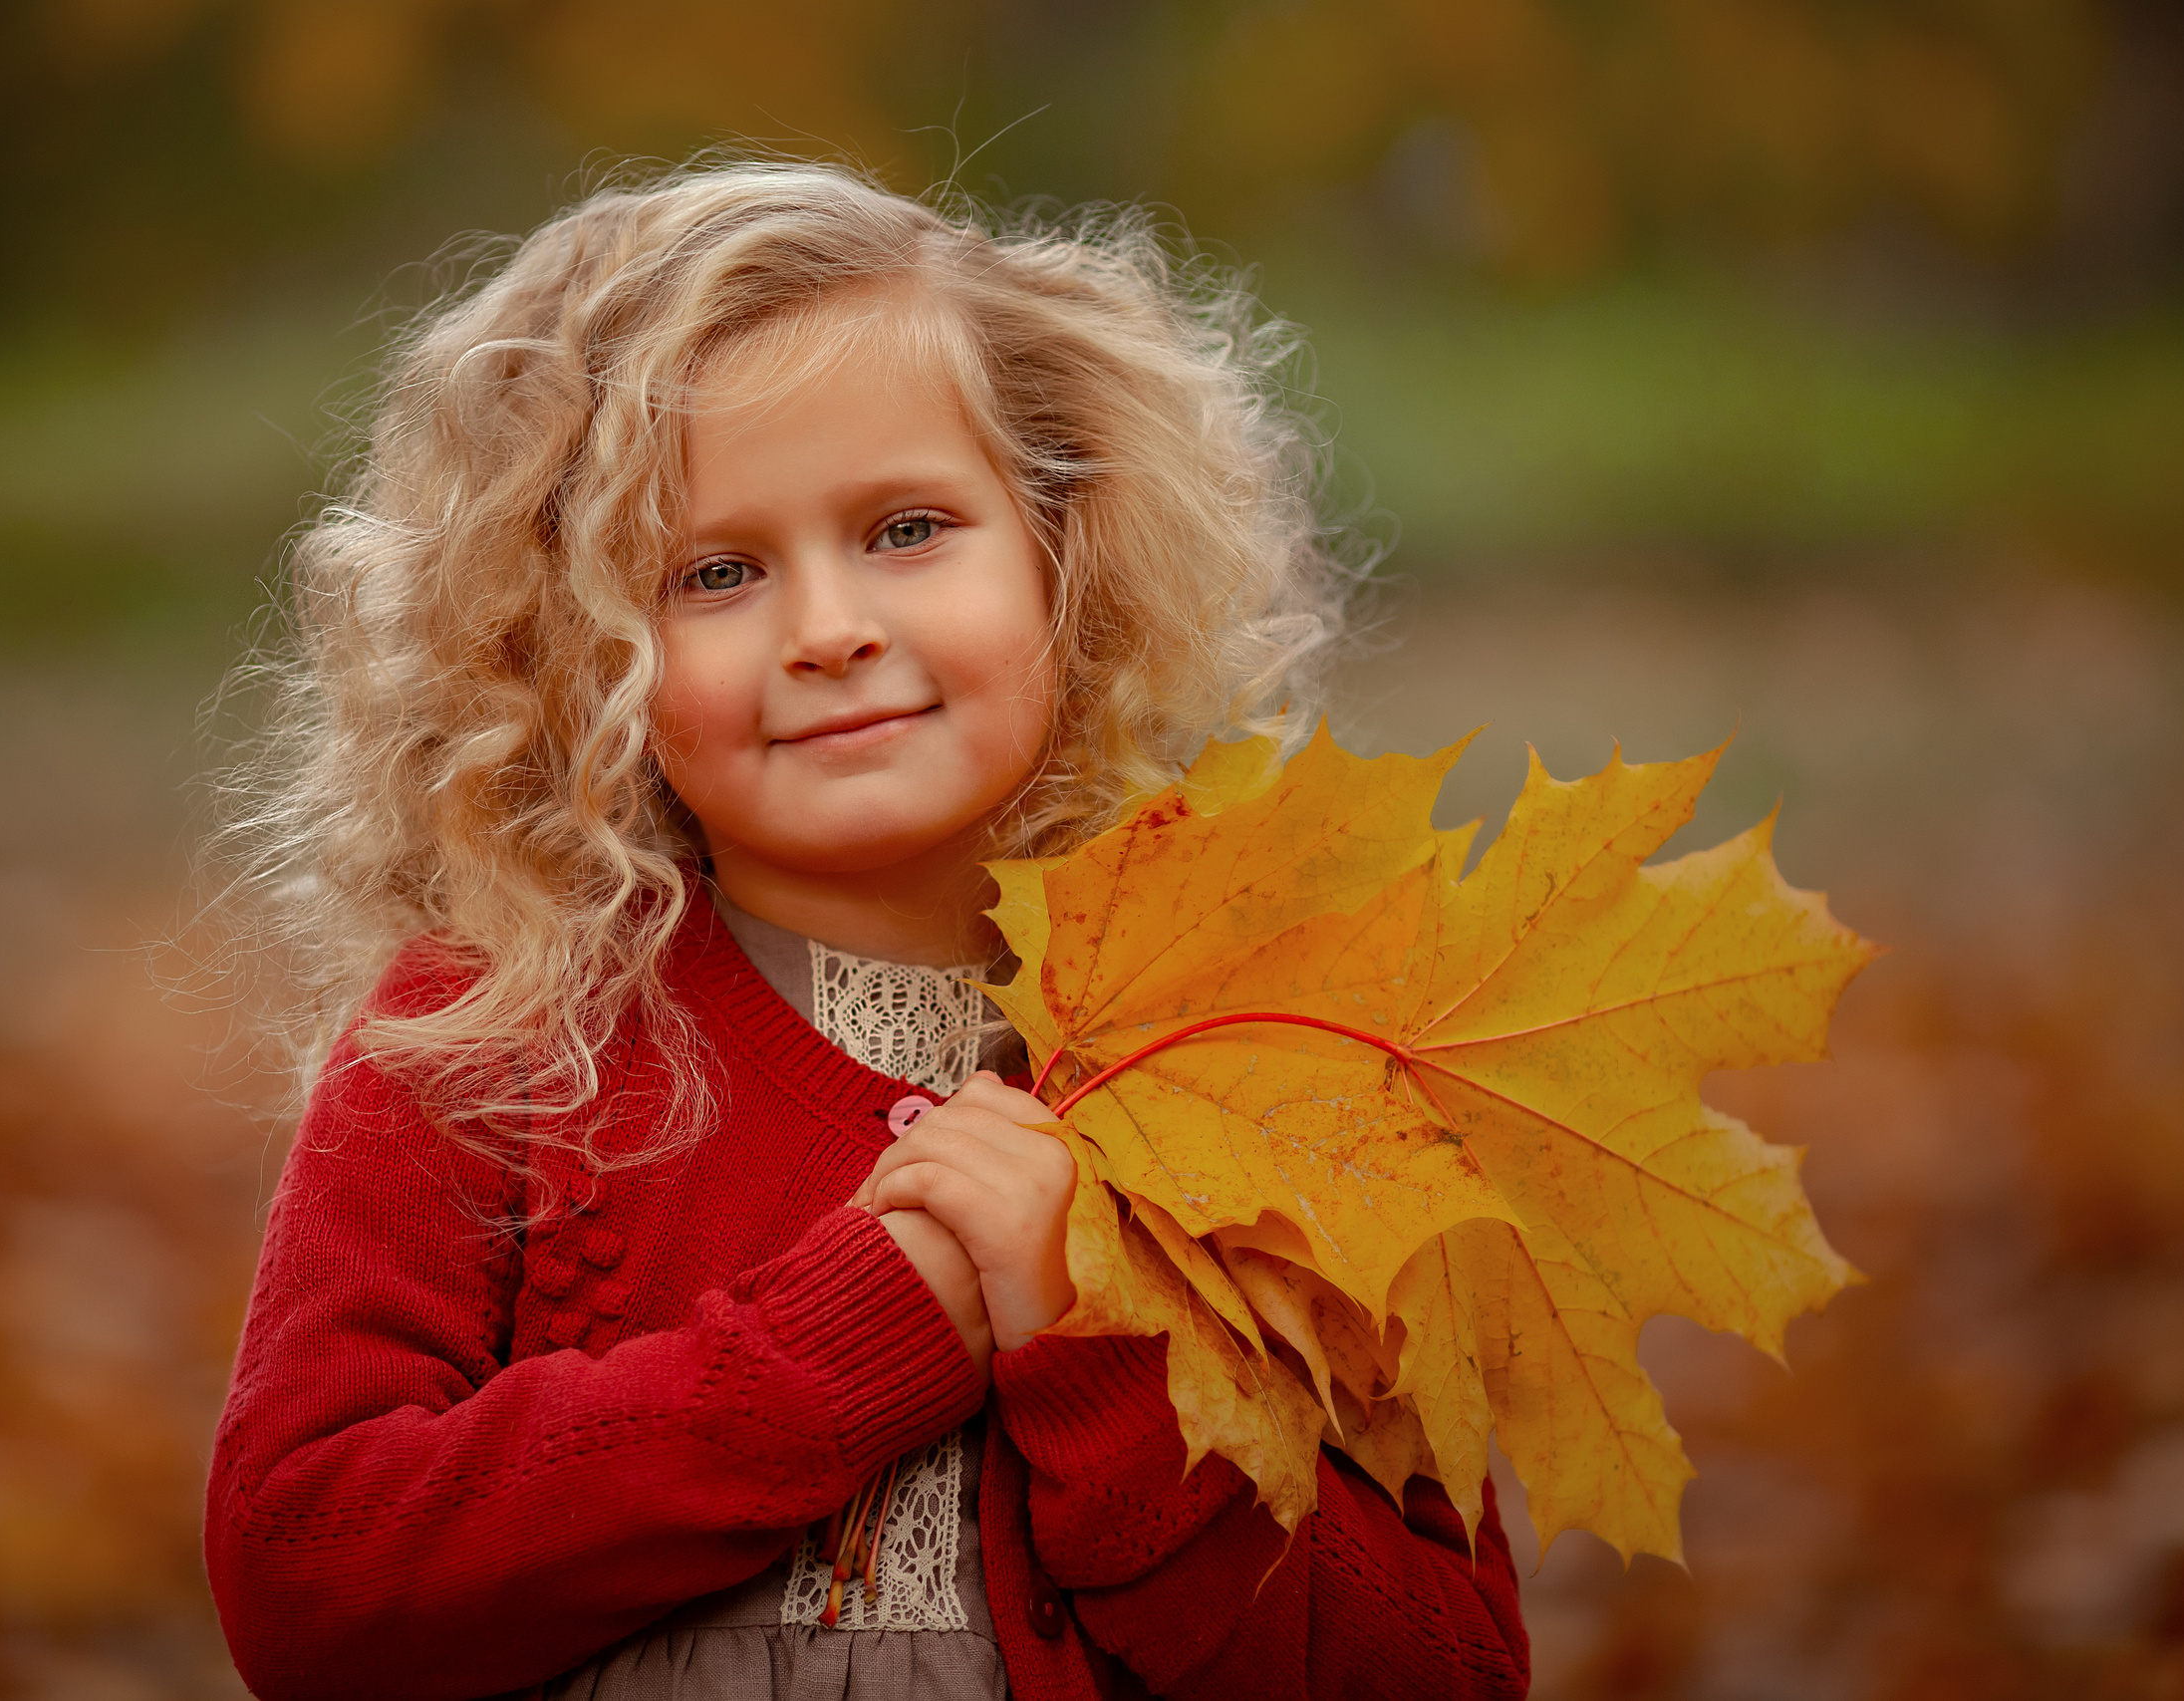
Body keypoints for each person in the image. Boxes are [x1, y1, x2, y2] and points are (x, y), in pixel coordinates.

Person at [204, 160, 1529, 1701]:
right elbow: (308, 1576)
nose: (830, 630)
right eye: (715, 573)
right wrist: (853, 1344)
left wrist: (1099, 1353)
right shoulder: (491, 1045)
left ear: (1066, 545)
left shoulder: (1264, 1065)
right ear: (571, 649)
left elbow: (1445, 1671)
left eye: (907, 528)